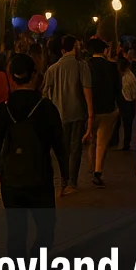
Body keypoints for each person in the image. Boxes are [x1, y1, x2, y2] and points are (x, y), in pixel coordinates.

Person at [0, 54, 68, 270]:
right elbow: (60, 145)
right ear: (34, 76)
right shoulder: (46, 107)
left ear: (11, 77)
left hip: (10, 180)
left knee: (16, 234)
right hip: (40, 179)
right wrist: (66, 178)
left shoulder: (3, 110)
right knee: (45, 232)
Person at [43, 35, 93, 195]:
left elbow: (45, 93)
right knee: (75, 149)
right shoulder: (82, 66)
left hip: (58, 115)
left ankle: (63, 181)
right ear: (74, 47)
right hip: (77, 113)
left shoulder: (52, 69)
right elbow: (87, 92)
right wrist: (91, 115)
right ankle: (72, 181)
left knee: (61, 149)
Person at [85, 39, 121, 188]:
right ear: (104, 50)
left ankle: (92, 166)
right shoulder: (111, 66)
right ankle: (98, 170)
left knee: (91, 140)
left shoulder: (86, 65)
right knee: (102, 142)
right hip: (108, 108)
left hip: (90, 108)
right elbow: (118, 86)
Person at [117, 56, 136, 151]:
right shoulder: (130, 76)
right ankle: (126, 143)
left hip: (127, 102)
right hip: (129, 102)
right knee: (127, 125)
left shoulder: (126, 77)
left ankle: (126, 144)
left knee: (127, 124)